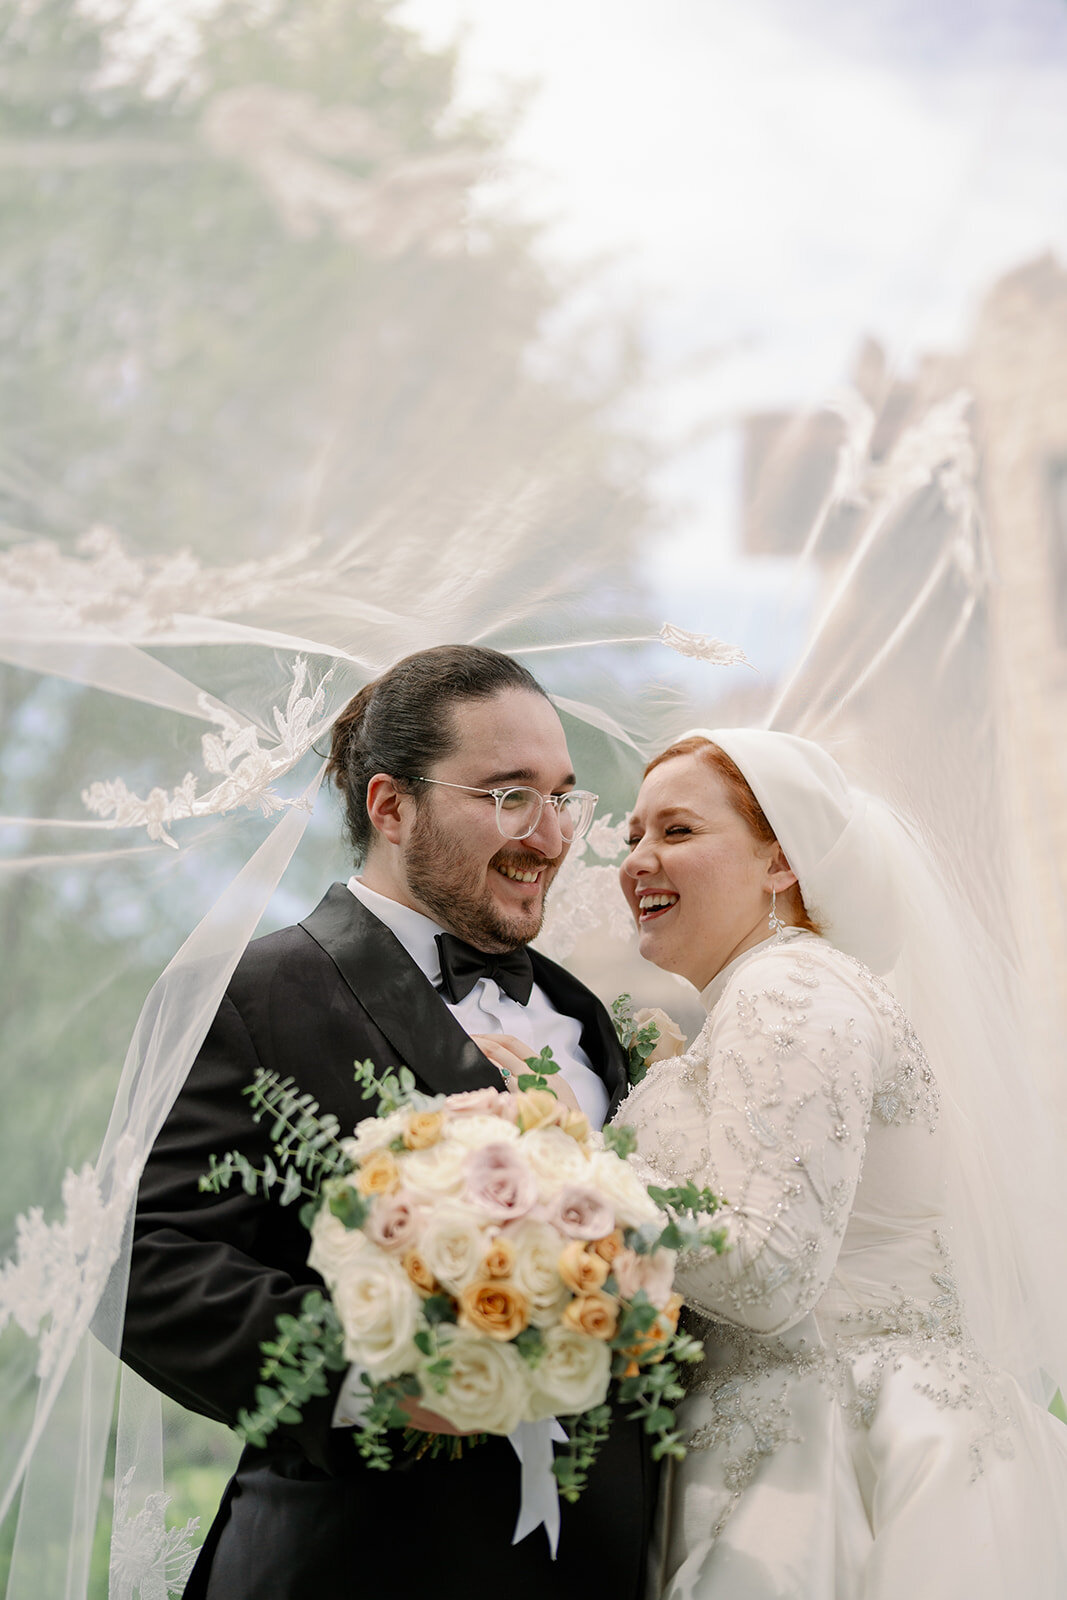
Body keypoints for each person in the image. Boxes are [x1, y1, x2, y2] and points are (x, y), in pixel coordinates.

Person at [120, 644, 658, 1600]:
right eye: (507, 796)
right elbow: (141, 1263)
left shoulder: (583, 1015)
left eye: (563, 797)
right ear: (390, 806)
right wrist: (381, 1379)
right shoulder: (253, 993)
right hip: (357, 1561)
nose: (551, 835)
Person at [611, 729, 1067, 1599]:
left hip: (825, 1466)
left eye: (676, 832)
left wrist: (564, 1180)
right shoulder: (779, 990)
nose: (637, 860)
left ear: (779, 862)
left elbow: (767, 1272)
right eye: (633, 835)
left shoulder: (788, 990)